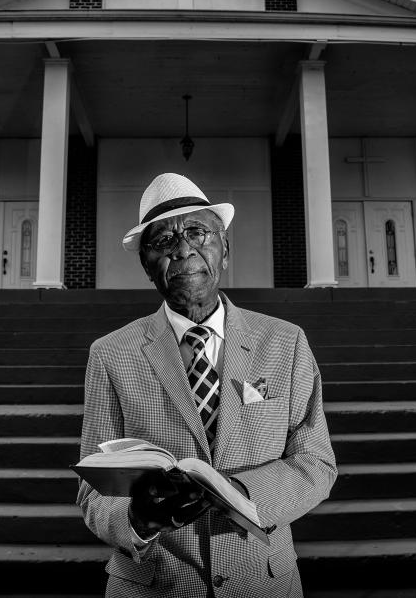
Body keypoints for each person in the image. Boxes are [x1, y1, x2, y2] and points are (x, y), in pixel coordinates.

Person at [77, 172, 337, 597]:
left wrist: (240, 495)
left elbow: (316, 464)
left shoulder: (285, 342)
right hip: (154, 585)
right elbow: (93, 490)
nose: (183, 249)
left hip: (263, 583)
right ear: (146, 266)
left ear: (225, 249)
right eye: (163, 242)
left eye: (197, 232)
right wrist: (137, 520)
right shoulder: (110, 354)